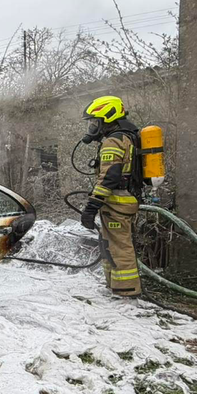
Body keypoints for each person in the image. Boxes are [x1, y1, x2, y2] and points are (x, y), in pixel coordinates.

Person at [79, 96, 142, 298]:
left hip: (117, 204)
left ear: (107, 118)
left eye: (94, 122)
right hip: (122, 201)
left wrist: (91, 208)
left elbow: (109, 178)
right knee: (109, 245)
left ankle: (126, 291)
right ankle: (114, 286)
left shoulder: (113, 141)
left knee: (119, 248)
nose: (92, 127)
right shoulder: (128, 136)